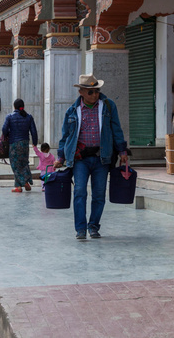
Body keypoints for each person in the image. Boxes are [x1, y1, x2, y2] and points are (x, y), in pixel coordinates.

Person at [55, 74, 127, 240]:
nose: (94, 95)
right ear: (81, 92)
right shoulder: (72, 111)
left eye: (97, 91)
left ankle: (93, 226)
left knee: (99, 194)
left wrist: (123, 152)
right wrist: (60, 157)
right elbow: (65, 137)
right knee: (80, 191)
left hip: (102, 158)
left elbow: (117, 130)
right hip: (80, 159)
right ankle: (80, 229)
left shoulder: (108, 107)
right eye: (90, 92)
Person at [2, 99, 38, 193]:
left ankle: (23, 182)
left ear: (14, 106)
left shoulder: (10, 117)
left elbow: (4, 129)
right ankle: (18, 186)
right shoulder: (29, 117)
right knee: (24, 163)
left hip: (14, 143)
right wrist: (35, 142)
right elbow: (33, 131)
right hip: (25, 143)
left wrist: (7, 135)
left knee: (15, 164)